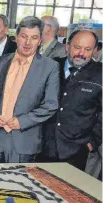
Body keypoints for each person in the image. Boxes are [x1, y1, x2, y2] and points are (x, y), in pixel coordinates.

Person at [0, 16, 59, 163]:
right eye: (24, 36)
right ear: (16, 37)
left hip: (24, 140)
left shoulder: (50, 67)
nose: (28, 42)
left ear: (40, 40)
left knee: (15, 185)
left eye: (34, 37)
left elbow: (50, 104)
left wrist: (23, 121)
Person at [41, 30, 101, 172]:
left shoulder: (100, 74)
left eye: (87, 49)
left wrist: (92, 141)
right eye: (77, 47)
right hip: (42, 145)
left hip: (76, 150)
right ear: (67, 47)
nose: (81, 53)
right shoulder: (50, 66)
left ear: (95, 51)